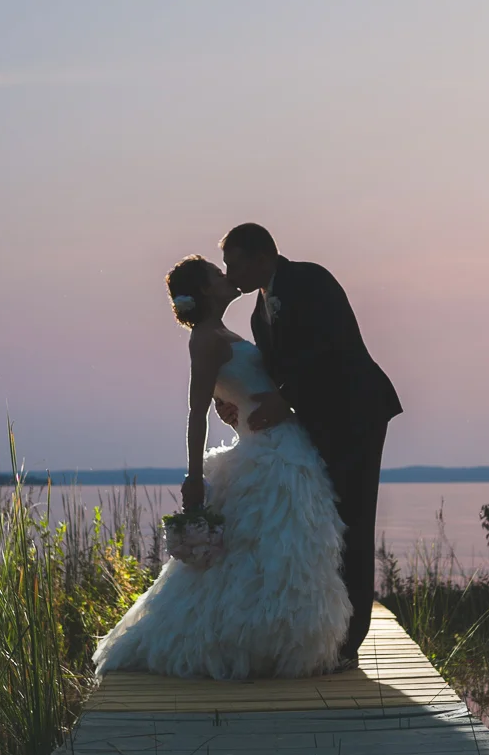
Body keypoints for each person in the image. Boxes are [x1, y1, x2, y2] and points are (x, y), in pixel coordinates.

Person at [91, 255, 352, 680]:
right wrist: (194, 476)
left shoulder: (228, 332)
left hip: (280, 443)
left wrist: (235, 402)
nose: (227, 275)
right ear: (207, 289)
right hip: (267, 450)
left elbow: (233, 391)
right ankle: (250, 646)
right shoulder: (206, 339)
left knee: (285, 550)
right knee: (268, 549)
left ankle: (278, 645)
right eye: (217, 272)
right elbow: (196, 411)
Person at [220, 224, 402, 670]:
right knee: (325, 521)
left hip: (355, 415)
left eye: (233, 262)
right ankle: (326, 631)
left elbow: (331, 347)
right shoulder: (258, 314)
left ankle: (350, 639)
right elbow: (270, 368)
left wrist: (287, 398)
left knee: (352, 520)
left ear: (260, 254)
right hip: (316, 425)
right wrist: (234, 400)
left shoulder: (310, 280)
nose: (229, 273)